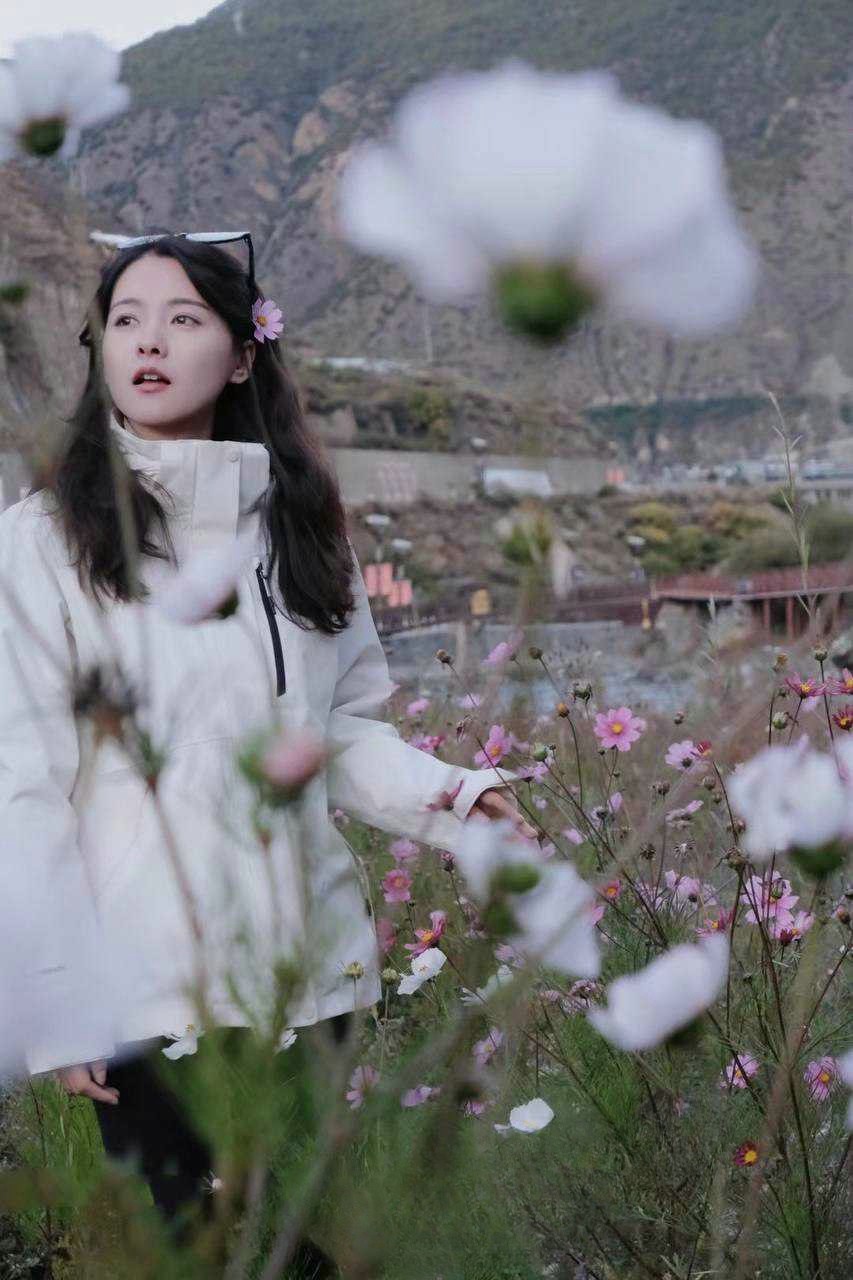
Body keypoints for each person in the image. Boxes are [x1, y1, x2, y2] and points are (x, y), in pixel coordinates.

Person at [0, 232, 536, 1244]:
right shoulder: (44, 539)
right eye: (125, 320)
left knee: (326, 1245)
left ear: (244, 355)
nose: (148, 341)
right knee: (212, 1253)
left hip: (312, 977)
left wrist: (454, 795)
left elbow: (335, 730)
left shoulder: (303, 527)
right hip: (150, 995)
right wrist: (61, 1000)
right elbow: (22, 784)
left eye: (183, 318)